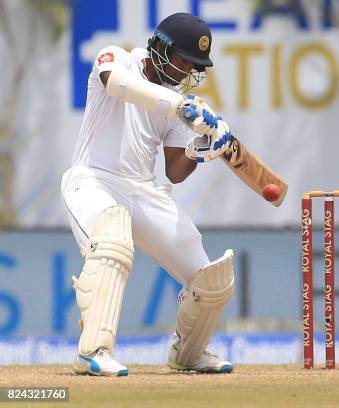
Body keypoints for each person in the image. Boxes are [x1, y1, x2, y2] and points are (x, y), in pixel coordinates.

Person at [61, 12, 235, 376]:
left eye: (194, 66)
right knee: (112, 238)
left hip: (142, 191)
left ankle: (188, 353)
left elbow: (175, 169)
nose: (186, 71)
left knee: (211, 278)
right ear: (160, 47)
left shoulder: (177, 101)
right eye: (183, 60)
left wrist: (203, 148)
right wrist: (182, 107)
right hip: (93, 180)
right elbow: (118, 86)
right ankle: (92, 351)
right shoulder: (117, 58)